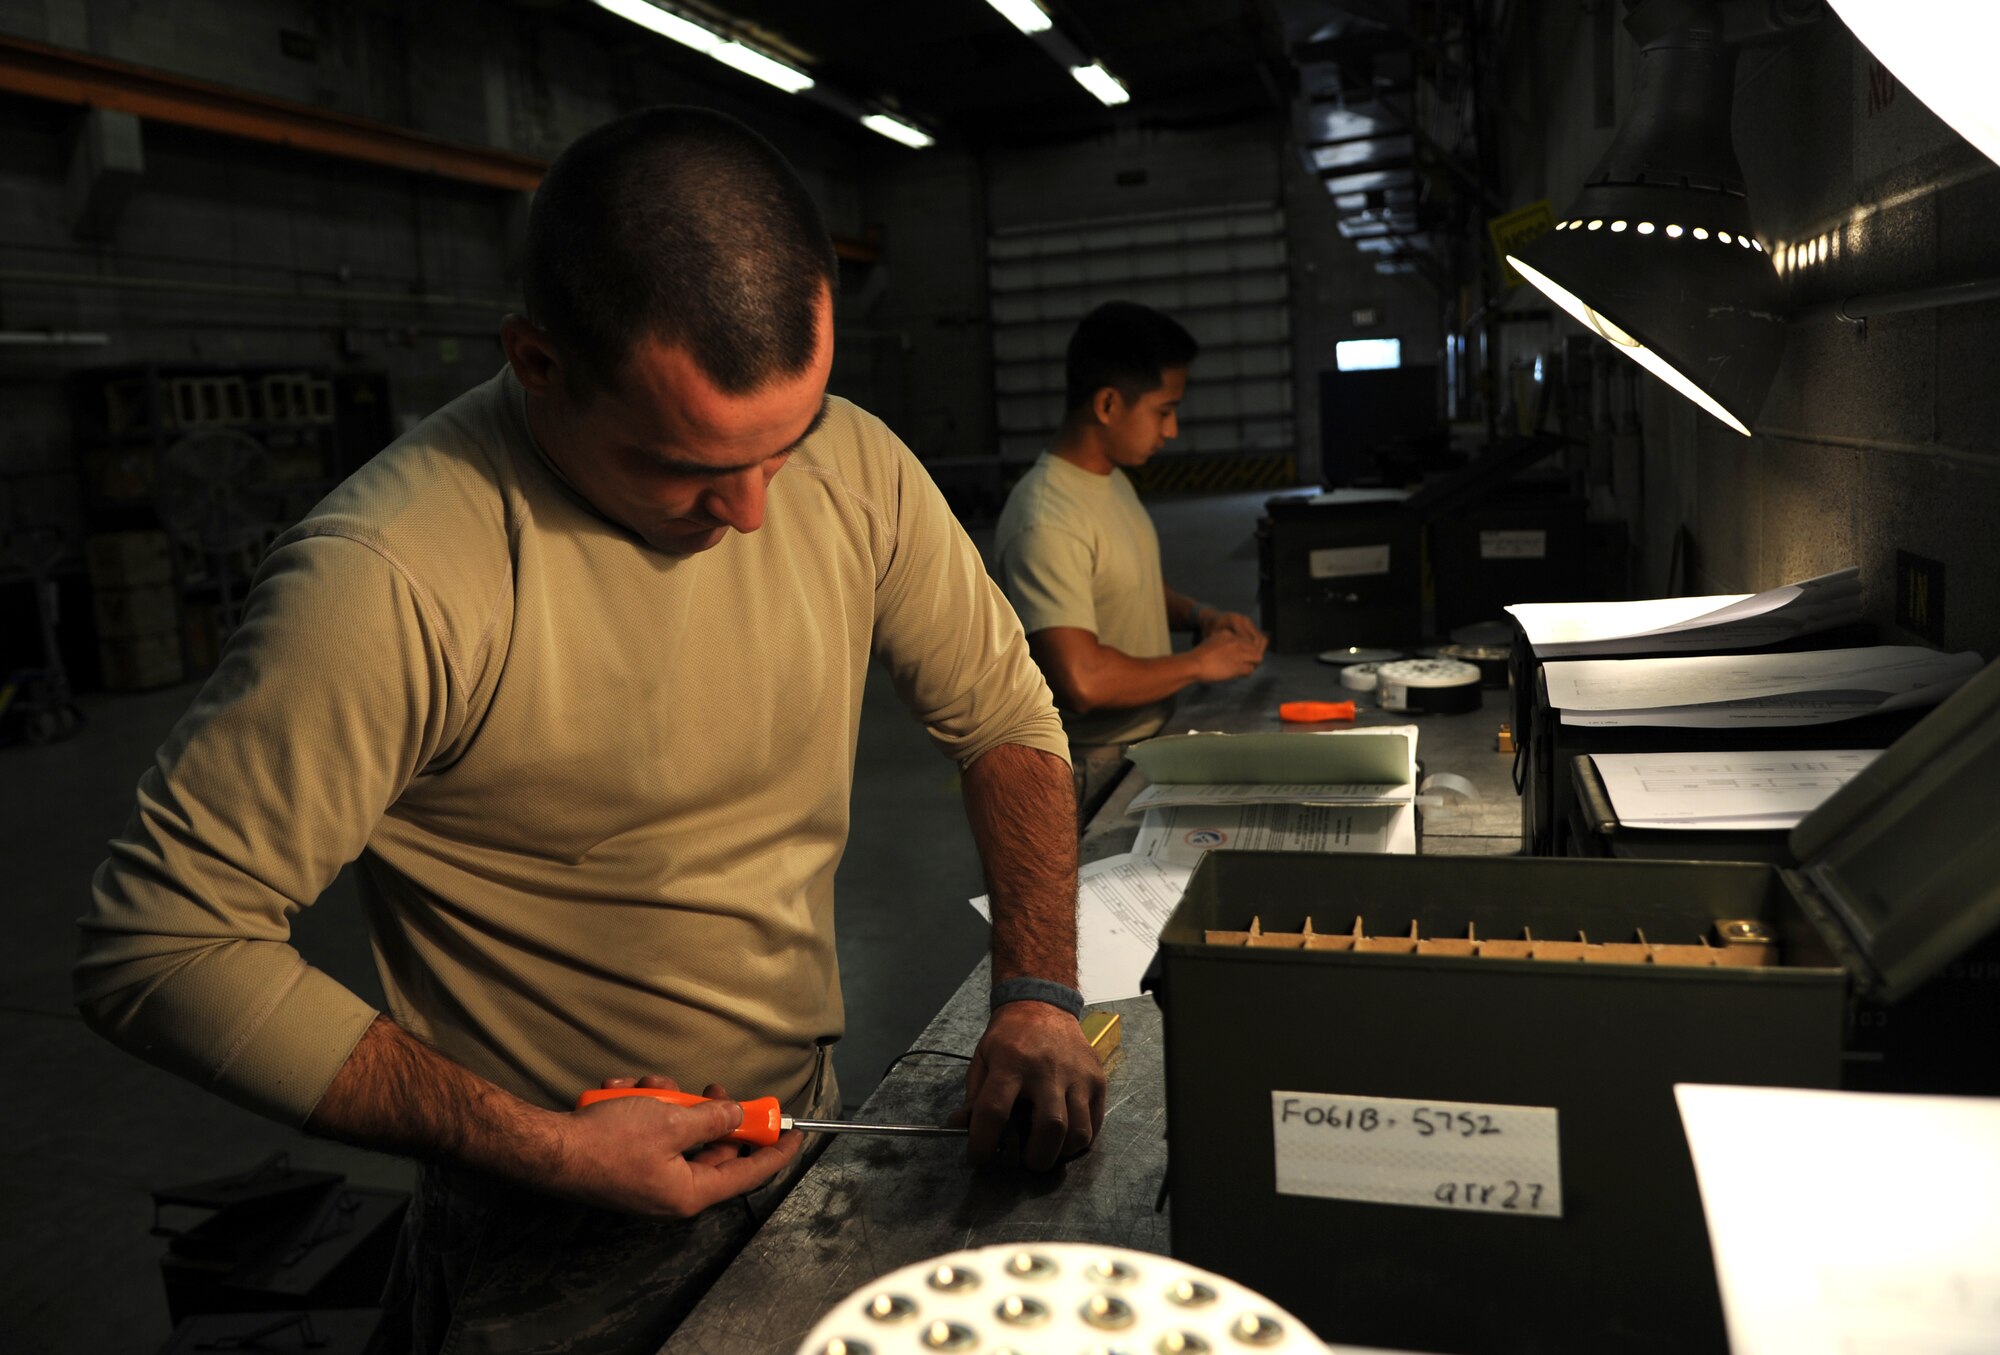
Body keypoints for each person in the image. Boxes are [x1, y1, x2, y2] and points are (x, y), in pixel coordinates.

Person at [74, 107, 1104, 1354]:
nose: (751, 510)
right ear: (538, 363)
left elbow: (1004, 713)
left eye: (784, 441)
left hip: (801, 1145)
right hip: (540, 1220)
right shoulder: (390, 576)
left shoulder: (857, 466)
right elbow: (160, 942)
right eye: (683, 466)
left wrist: (1039, 991)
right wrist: (546, 1146)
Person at [993, 301, 1268, 820]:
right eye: (1163, 411)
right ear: (1108, 405)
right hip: (1090, 769)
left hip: (1144, 743)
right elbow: (1084, 680)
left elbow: (1124, 581)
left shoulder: (1109, 481)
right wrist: (1199, 663)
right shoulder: (1047, 517)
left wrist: (1199, 617)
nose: (1172, 431)